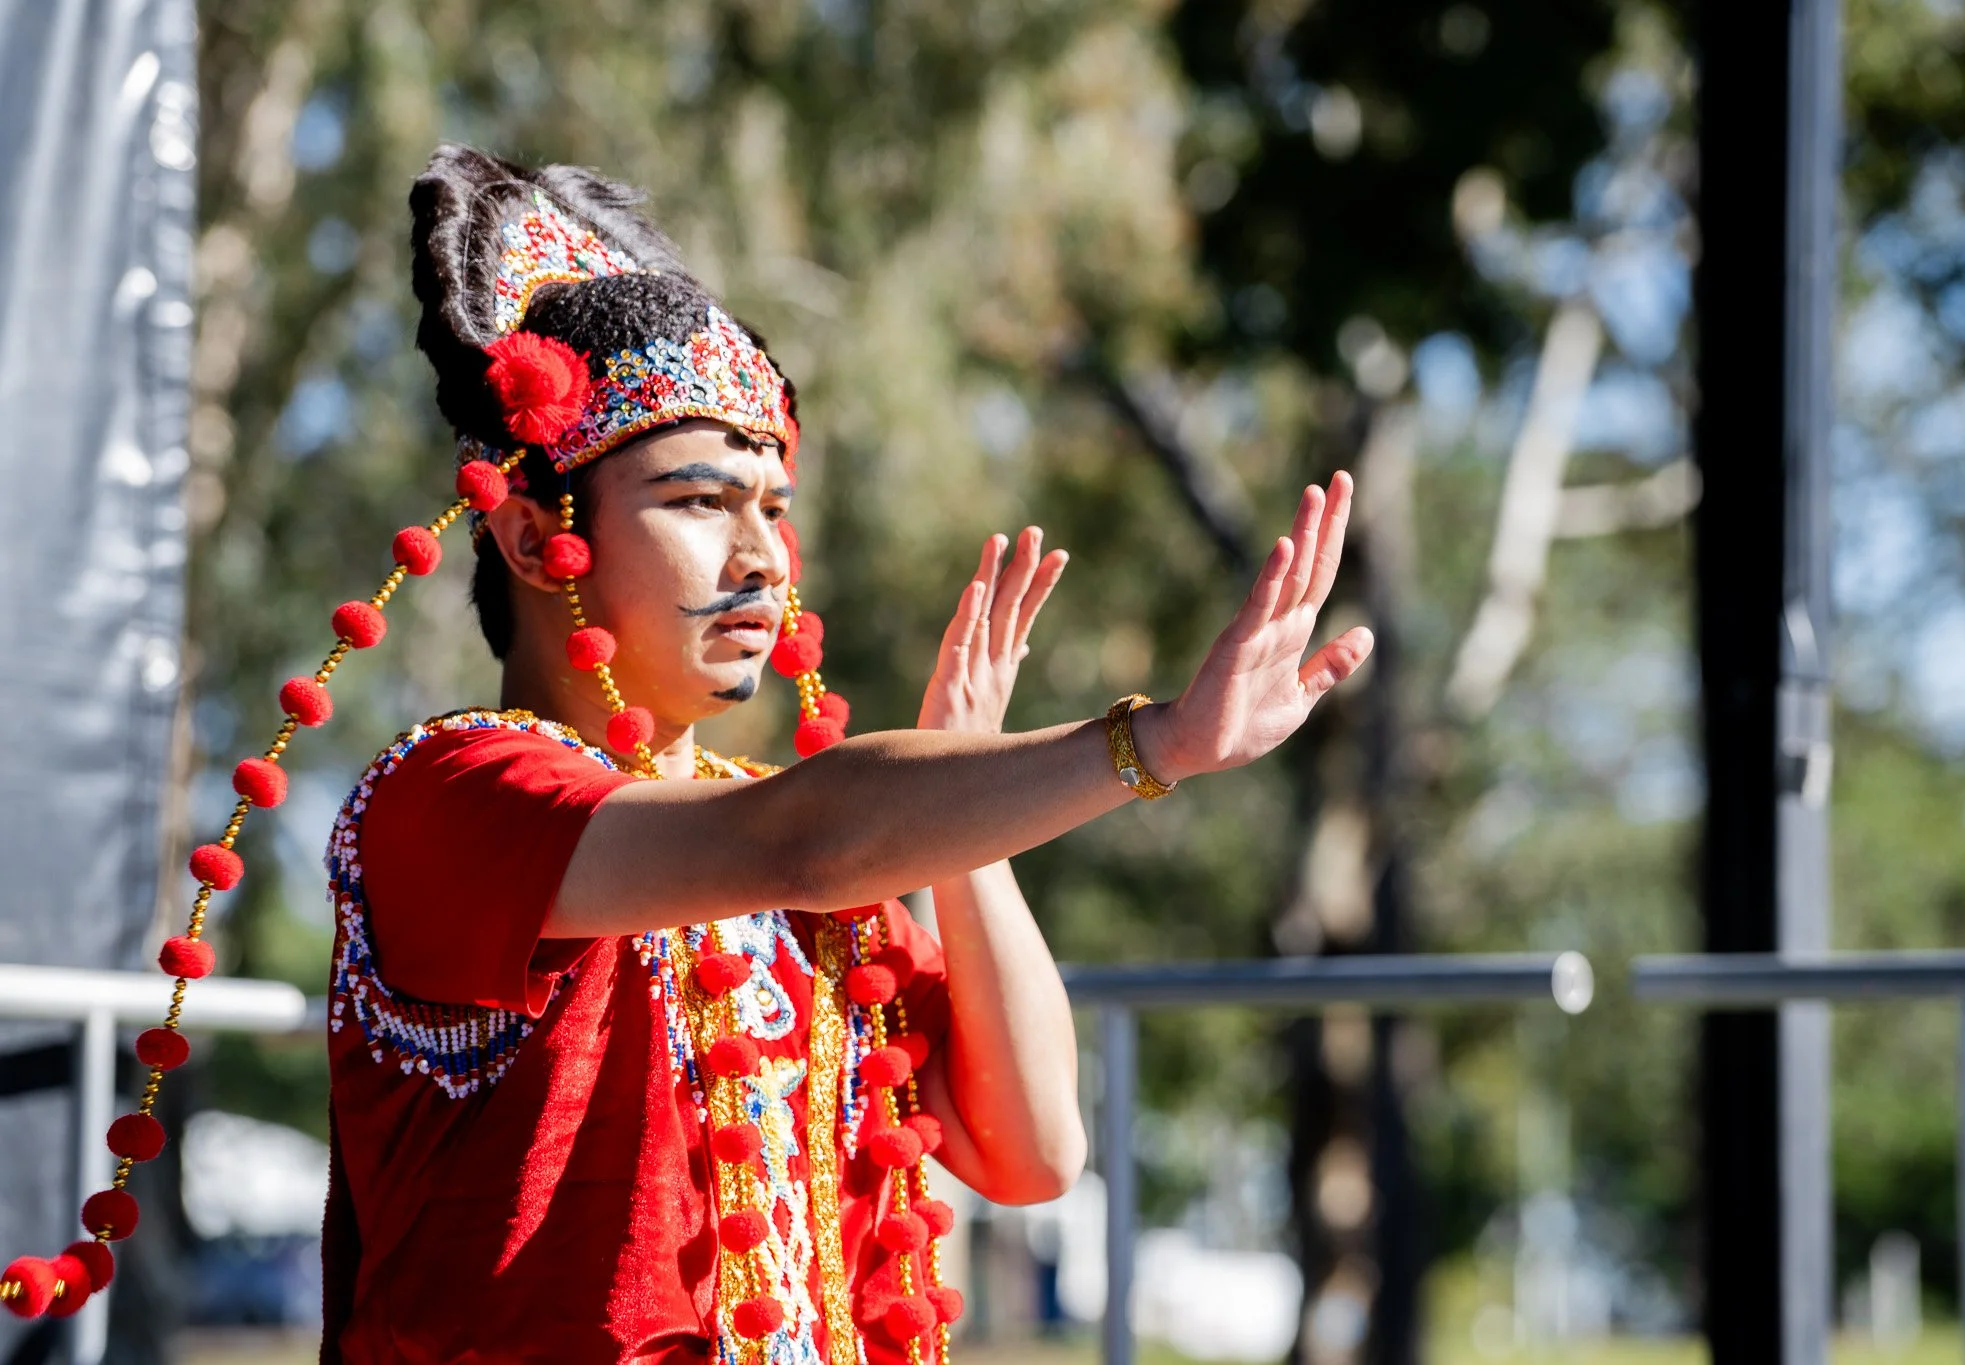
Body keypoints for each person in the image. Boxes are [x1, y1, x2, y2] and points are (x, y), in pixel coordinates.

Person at [0, 145, 1370, 1362]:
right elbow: (804, 838)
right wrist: (1154, 746)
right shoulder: (453, 793)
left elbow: (1031, 1151)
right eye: (701, 500)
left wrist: (979, 821)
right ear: (540, 538)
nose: (763, 553)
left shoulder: (794, 833)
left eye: (772, 504)